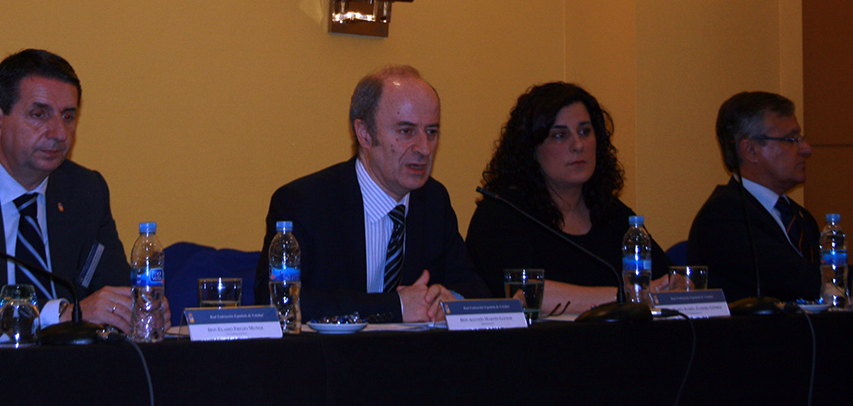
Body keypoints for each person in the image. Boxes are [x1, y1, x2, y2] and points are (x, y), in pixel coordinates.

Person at [0, 49, 160, 333]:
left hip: (72, 358)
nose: (60, 133)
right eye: (39, 114)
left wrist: (140, 310)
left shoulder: (85, 190)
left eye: (68, 116)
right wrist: (57, 314)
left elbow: (113, 289)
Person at [255, 66, 489, 323]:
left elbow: (475, 289)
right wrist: (396, 306)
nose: (424, 148)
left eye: (431, 132)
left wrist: (450, 300)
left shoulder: (433, 200)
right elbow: (276, 300)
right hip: (334, 350)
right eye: (406, 131)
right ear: (365, 134)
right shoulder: (305, 203)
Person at [466, 82, 670, 314]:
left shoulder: (612, 213)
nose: (578, 145)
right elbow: (524, 294)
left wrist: (678, 283)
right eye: (560, 135)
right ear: (531, 149)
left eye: (585, 131)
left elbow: (664, 279)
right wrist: (629, 296)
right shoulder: (502, 213)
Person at [686, 91, 820, 303]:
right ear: (750, 150)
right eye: (791, 139)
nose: (806, 149)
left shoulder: (799, 216)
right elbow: (798, 281)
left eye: (801, 139)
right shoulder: (723, 217)